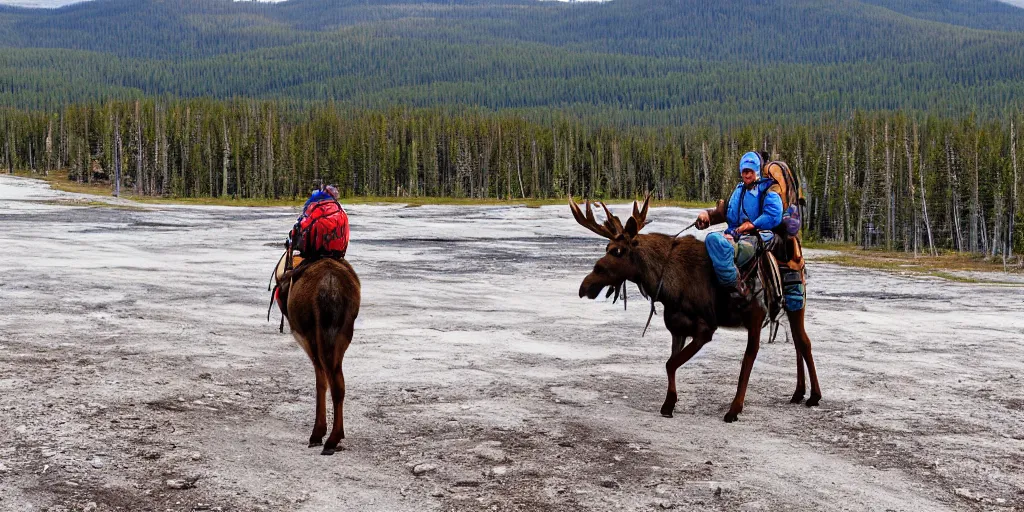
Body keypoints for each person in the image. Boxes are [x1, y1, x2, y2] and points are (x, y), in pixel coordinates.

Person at [695, 151, 783, 307]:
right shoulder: (739, 191)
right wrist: (707, 216)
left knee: (714, 241)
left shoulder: (768, 192)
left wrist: (753, 225)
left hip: (756, 238)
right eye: (744, 171)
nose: (746, 174)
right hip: (735, 236)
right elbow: (726, 213)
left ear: (756, 171)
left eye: (750, 171)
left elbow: (774, 215)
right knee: (707, 246)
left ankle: (736, 285)